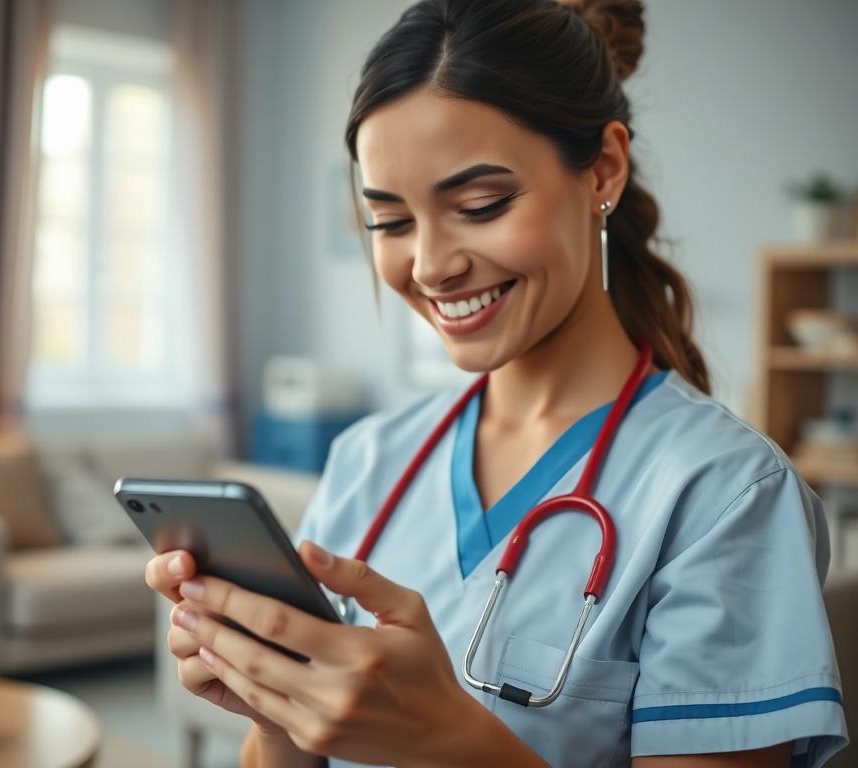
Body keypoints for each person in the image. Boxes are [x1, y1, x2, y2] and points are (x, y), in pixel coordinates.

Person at [145, 0, 849, 765]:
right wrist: (278, 712)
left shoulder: (725, 496)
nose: (430, 265)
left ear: (603, 171)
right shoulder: (367, 460)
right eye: (391, 222)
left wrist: (447, 738)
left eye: (480, 206)